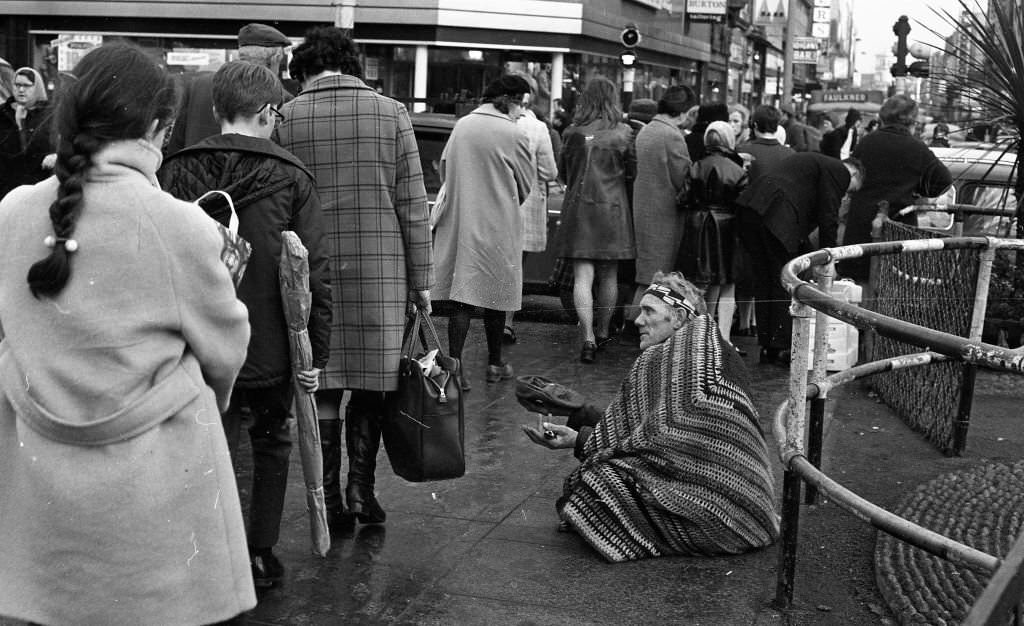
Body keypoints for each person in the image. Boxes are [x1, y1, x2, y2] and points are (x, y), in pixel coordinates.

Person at [0, 42, 255, 624]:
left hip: (32, 475)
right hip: (152, 484)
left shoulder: (12, 212)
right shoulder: (182, 225)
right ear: (159, 126)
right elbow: (225, 350)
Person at [159, 61, 331, 588]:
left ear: (216, 109)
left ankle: (203, 548)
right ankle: (259, 551)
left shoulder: (174, 169)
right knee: (271, 442)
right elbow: (314, 273)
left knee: (203, 440)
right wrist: (315, 355)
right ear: (266, 111)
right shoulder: (293, 176)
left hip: (193, 338)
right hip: (270, 340)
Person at [274, 26, 432, 529]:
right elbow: (413, 205)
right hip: (380, 271)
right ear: (353, 63)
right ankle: (361, 492)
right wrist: (422, 280)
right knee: (372, 384)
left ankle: (332, 503)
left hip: (312, 272)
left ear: (305, 69)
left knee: (321, 381)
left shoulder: (288, 117)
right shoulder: (392, 113)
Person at [522, 271, 779, 562]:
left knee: (598, 482)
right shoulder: (709, 346)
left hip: (719, 511)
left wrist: (581, 439)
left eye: (648, 311)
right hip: (750, 502)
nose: (637, 320)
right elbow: (653, 429)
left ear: (680, 318)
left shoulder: (681, 358)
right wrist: (578, 430)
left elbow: (653, 443)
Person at [434, 74, 532, 382]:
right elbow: (526, 184)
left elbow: (444, 169)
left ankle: (456, 367)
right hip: (499, 224)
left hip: (462, 220)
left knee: (461, 296)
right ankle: (494, 363)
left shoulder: (462, 126)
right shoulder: (513, 133)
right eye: (522, 103)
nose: (523, 111)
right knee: (497, 295)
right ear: (510, 100)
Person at [735, 152, 865, 365]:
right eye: (848, 190)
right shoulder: (839, 170)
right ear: (853, 173)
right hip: (777, 216)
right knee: (782, 281)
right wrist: (829, 257)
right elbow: (828, 215)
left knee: (765, 278)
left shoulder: (815, 165)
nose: (844, 196)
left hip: (752, 208)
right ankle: (781, 347)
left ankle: (768, 343)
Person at [557, 77, 636, 363]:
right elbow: (631, 174)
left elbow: (563, 173)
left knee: (582, 277)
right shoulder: (624, 133)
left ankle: (587, 337)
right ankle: (602, 331)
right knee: (609, 276)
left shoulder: (571, 133)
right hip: (613, 211)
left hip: (579, 210)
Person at [841, 95, 952, 283]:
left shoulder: (867, 142)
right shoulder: (917, 148)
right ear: (913, 122)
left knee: (857, 289)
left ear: (882, 119)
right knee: (894, 289)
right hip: (899, 232)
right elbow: (944, 180)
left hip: (861, 229)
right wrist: (918, 192)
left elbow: (848, 177)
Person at [164, 23, 292, 156]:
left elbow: (176, 145)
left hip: (193, 171)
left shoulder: (198, 86)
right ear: (276, 59)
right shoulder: (279, 97)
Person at [680, 121, 749, 346]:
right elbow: (744, 204)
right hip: (727, 227)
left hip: (698, 226)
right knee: (728, 282)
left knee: (699, 281)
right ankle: (724, 337)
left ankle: (699, 333)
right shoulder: (738, 170)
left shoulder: (696, 166)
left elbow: (683, 198)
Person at [504, 73, 557, 345]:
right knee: (517, 268)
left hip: (497, 205)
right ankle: (508, 322)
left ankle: (495, 315)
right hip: (526, 205)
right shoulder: (537, 129)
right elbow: (549, 172)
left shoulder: (496, 123)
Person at [735, 105, 794, 339]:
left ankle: (752, 327)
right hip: (780, 225)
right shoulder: (789, 155)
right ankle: (773, 334)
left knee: (752, 276)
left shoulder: (742, 150)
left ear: (754, 125)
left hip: (748, 221)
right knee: (777, 279)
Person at [632, 86, 695, 296]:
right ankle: (637, 325)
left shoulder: (647, 130)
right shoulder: (672, 135)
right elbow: (684, 176)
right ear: (684, 112)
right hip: (664, 216)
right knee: (658, 280)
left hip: (644, 210)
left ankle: (632, 324)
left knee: (647, 277)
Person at [0, 67, 54, 200]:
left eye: (26, 86)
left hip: (38, 186)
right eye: (17, 85)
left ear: (37, 87)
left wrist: (56, 155)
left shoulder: (49, 114)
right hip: (7, 187)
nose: (21, 90)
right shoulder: (3, 113)